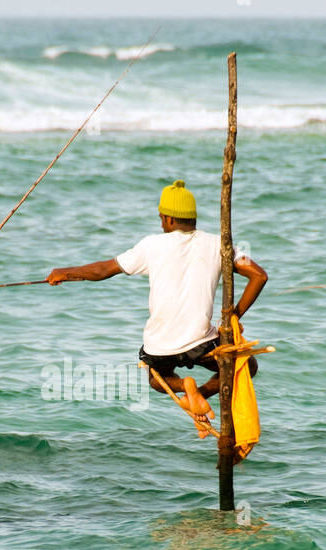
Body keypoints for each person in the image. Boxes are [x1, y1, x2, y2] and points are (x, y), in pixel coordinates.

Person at [45, 179, 268, 436]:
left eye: (162, 219)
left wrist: (66, 272)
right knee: (247, 366)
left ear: (169, 220)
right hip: (202, 345)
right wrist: (234, 314)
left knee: (155, 380)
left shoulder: (151, 245)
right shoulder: (219, 244)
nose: (161, 224)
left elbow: (104, 270)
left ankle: (188, 388)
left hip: (159, 348)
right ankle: (203, 392)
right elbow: (258, 276)